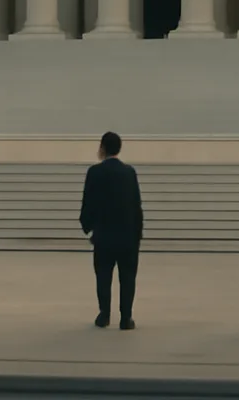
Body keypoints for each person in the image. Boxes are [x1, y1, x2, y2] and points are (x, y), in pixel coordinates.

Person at [79, 131, 144, 330]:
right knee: (127, 277)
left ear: (102, 148)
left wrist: (87, 226)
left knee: (103, 276)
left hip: (104, 236)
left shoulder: (94, 172)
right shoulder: (129, 172)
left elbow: (88, 202)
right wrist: (137, 235)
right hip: (127, 237)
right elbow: (136, 205)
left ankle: (104, 315)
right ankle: (126, 318)